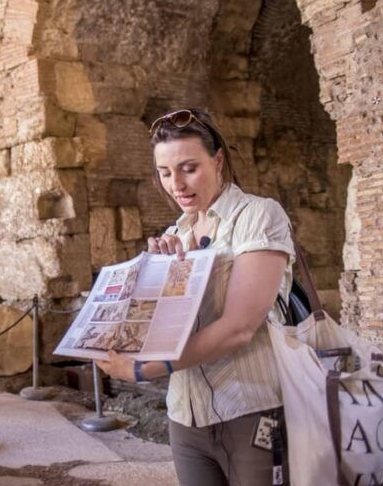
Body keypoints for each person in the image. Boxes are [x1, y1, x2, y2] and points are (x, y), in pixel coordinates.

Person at [96, 108, 295, 486]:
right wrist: (159, 273)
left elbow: (239, 328)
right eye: (165, 172)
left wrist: (142, 370)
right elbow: (164, 328)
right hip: (185, 414)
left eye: (189, 168)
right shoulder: (177, 233)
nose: (177, 185)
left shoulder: (257, 215)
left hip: (251, 409)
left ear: (217, 160)